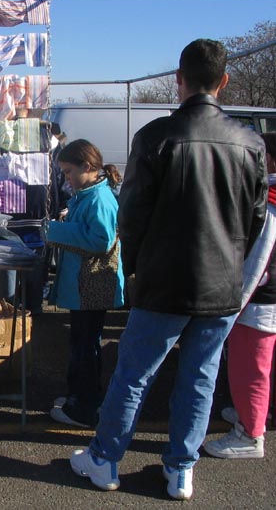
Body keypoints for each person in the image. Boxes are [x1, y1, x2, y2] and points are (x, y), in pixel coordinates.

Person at [69, 39, 267, 501]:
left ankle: (104, 459)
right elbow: (255, 220)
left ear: (179, 80)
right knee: (201, 376)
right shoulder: (250, 143)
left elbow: (131, 216)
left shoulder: (156, 137)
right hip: (223, 286)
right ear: (224, 82)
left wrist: (136, 270)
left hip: (165, 281)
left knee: (134, 375)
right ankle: (181, 469)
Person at [204, 132, 276, 460]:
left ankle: (250, 434)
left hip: (260, 304)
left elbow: (258, 260)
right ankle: (252, 416)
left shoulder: (270, 200)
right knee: (255, 369)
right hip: (263, 301)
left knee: (250, 370)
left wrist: (235, 300)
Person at [44, 139, 125, 428]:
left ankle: (85, 407)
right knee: (82, 343)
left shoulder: (98, 198)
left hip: (92, 285)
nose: (65, 178)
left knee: (86, 347)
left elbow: (101, 240)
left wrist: (56, 230)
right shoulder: (90, 194)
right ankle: (79, 397)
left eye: (67, 172)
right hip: (88, 285)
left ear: (87, 167)